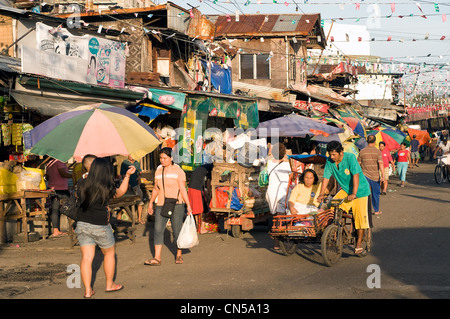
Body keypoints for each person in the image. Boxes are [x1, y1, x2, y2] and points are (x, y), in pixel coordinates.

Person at [75, 157, 135, 298]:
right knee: (108, 254)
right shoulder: (106, 186)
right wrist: (127, 176)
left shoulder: (82, 183)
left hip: (82, 224)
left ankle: (88, 291)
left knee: (87, 258)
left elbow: (79, 196)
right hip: (100, 225)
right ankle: (109, 285)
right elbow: (120, 193)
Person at [317, 141, 372, 254]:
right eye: (330, 154)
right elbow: (326, 178)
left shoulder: (350, 157)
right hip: (346, 190)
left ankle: (358, 243)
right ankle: (337, 229)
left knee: (359, 218)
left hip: (360, 191)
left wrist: (354, 193)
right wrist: (321, 194)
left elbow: (356, 175)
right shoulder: (329, 161)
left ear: (341, 152)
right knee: (333, 206)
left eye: (334, 154)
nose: (331, 157)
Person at [144, 147, 192, 266]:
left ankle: (179, 255)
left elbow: (183, 189)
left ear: (171, 158)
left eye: (165, 158)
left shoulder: (178, 171)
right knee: (158, 230)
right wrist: (151, 203)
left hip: (177, 204)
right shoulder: (158, 171)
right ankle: (157, 258)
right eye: (161, 158)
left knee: (177, 231)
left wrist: (188, 205)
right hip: (161, 204)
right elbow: (156, 188)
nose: (162, 160)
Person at [265, 143, 291, 250]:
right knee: (280, 217)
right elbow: (291, 176)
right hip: (282, 192)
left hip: (271, 192)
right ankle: (277, 242)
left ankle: (277, 239)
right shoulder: (287, 164)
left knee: (276, 216)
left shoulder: (269, 163)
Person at [358, 135, 384, 215]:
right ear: (375, 141)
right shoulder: (378, 151)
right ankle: (376, 211)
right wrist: (383, 175)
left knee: (364, 194)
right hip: (375, 177)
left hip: (364, 176)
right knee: (375, 194)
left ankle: (364, 210)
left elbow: (358, 164)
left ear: (367, 141)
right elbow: (380, 164)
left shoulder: (362, 151)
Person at [46, 158, 72, 237]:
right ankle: (71, 228)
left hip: (52, 188)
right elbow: (63, 174)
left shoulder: (49, 163)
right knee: (70, 207)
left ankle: (56, 230)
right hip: (61, 189)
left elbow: (47, 176)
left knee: (55, 209)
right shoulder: (59, 162)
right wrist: (74, 175)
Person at [120, 155, 145, 224]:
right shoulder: (124, 163)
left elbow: (139, 172)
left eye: (133, 154)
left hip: (136, 185)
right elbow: (122, 174)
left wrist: (139, 178)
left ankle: (139, 219)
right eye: (130, 154)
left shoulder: (137, 163)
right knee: (123, 201)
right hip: (127, 185)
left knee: (140, 200)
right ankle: (119, 217)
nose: (131, 156)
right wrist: (126, 183)